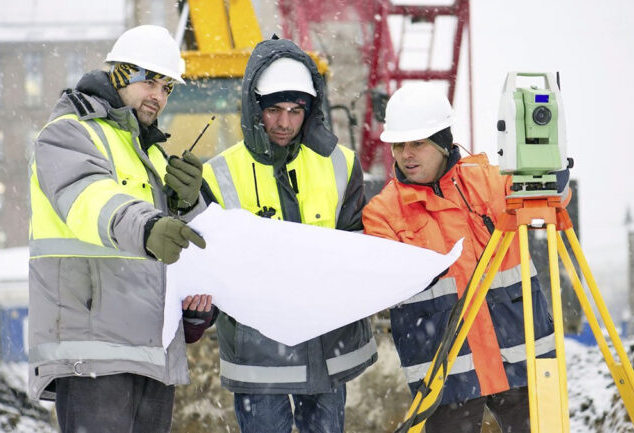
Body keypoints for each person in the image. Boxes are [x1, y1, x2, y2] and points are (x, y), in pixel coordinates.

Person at [27, 25, 212, 433]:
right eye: (149, 81)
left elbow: (185, 246)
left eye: (167, 88)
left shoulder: (153, 155)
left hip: (151, 354)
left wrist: (192, 203)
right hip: (92, 350)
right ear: (119, 74)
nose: (158, 97)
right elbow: (90, 199)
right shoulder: (68, 134)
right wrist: (150, 226)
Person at [194, 37, 377, 433]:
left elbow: (356, 245)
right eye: (274, 109)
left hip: (326, 345)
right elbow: (209, 265)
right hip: (258, 355)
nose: (284, 123)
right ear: (254, 106)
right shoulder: (218, 174)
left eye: (296, 110)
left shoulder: (341, 164)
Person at [362, 83, 569, 433]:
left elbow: (551, 201)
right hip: (446, 372)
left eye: (418, 143)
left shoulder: (489, 180)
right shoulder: (382, 212)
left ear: (443, 142)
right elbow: (383, 285)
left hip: (519, 354)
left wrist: (553, 172)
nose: (406, 154)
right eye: (399, 145)